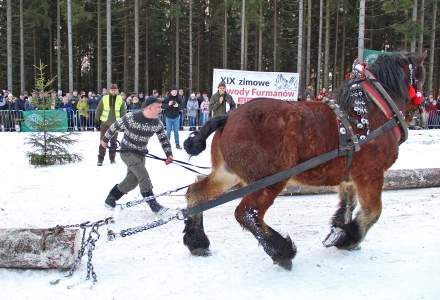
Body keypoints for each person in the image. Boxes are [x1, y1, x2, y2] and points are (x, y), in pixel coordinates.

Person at [101, 96, 173, 213]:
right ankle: (153, 204)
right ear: (149, 108)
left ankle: (111, 198)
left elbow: (163, 139)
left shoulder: (157, 123)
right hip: (127, 152)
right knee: (143, 176)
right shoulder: (131, 117)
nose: (160, 109)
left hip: (140, 154)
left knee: (133, 181)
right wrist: (105, 140)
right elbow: (114, 126)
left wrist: (168, 154)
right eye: (158, 107)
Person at [95, 83, 127, 166]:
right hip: (104, 124)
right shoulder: (104, 98)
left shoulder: (120, 99)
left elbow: (123, 112)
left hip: (115, 125)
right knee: (103, 142)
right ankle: (100, 159)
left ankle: (112, 159)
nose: (113, 91)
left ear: (117, 90)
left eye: (115, 90)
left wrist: (123, 123)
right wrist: (97, 120)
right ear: (109, 90)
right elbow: (99, 109)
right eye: (112, 90)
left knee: (113, 142)